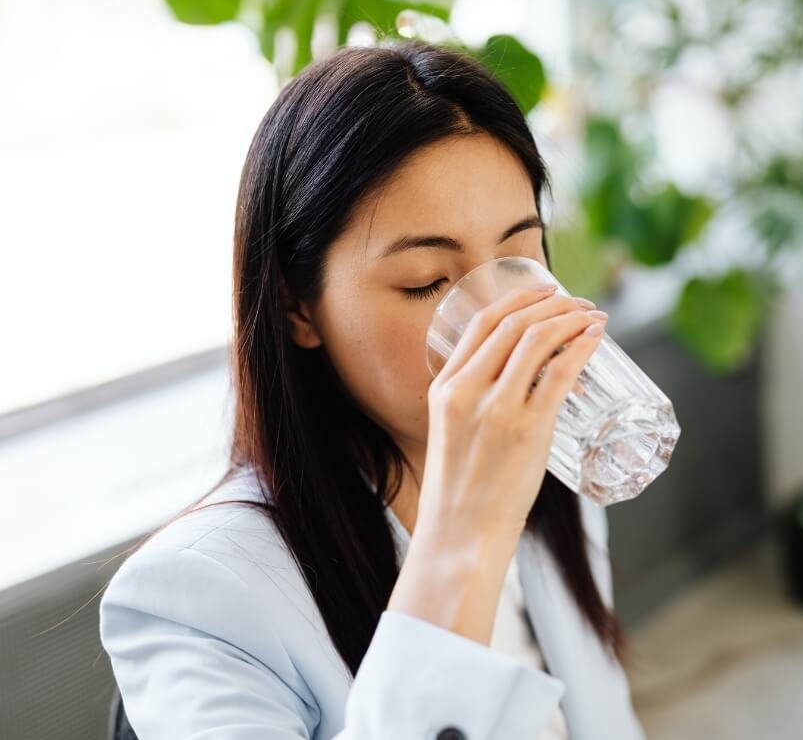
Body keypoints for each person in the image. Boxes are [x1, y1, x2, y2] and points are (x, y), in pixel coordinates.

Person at [98, 39, 644, 740]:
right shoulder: (199, 600)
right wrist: (464, 535)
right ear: (299, 309)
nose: (498, 321)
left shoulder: (552, 482)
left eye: (519, 258)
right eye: (428, 283)